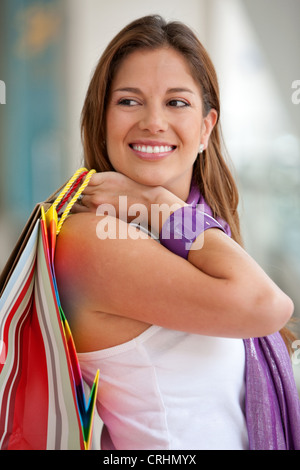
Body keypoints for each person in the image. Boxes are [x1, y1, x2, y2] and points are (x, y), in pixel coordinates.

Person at [54, 15, 299, 450]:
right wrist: (152, 201)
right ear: (101, 119)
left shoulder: (198, 235)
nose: (153, 122)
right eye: (129, 101)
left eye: (177, 103)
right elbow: (267, 306)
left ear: (205, 128)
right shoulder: (91, 239)